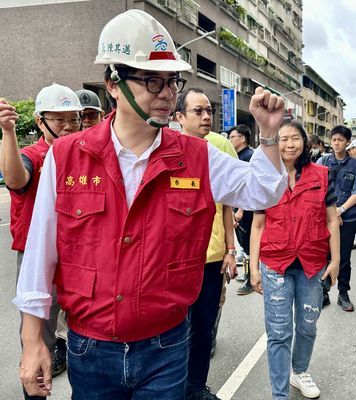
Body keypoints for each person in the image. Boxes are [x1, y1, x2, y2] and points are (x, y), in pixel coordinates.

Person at [14, 10, 288, 399]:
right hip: (90, 348)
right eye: (152, 81)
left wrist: (270, 134)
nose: (167, 93)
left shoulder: (199, 156)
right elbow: (40, 259)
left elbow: (263, 191)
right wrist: (33, 342)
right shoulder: (66, 156)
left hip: (166, 348)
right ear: (114, 84)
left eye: (172, 81)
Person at [0, 83, 83, 400]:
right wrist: (8, 132)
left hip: (77, 256)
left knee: (84, 337)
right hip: (37, 260)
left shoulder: (81, 154)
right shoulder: (33, 155)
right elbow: (16, 179)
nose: (67, 126)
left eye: (72, 119)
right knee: (37, 341)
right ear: (39, 121)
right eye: (59, 119)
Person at [249, 119, 340, 400]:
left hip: (312, 263)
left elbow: (332, 221)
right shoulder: (266, 176)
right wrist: (252, 267)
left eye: (295, 138)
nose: (289, 144)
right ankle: (279, 394)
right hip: (275, 262)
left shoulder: (323, 175)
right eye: (283, 139)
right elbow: (258, 225)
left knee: (308, 325)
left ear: (305, 142)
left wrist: (335, 260)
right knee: (278, 332)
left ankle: (299, 371)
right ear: (275, 144)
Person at [175, 87, 238, 400]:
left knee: (203, 328)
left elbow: (226, 204)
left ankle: (195, 387)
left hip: (211, 258)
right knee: (173, 330)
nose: (205, 116)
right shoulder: (167, 151)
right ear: (179, 117)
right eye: (197, 111)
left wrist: (230, 250)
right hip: (174, 261)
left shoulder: (220, 147)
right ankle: (172, 386)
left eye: (208, 111)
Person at [317, 125, 356, 311]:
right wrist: (330, 214)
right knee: (323, 255)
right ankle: (323, 292)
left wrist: (339, 211)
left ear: (347, 142)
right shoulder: (322, 161)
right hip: (324, 218)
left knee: (344, 258)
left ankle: (343, 294)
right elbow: (317, 190)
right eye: (334, 139)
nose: (336, 143)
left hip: (348, 217)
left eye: (340, 140)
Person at [228, 124, 255, 295]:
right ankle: (248, 274)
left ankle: (251, 279)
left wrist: (240, 210)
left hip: (246, 209)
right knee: (245, 245)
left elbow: (248, 187)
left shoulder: (249, 157)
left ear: (242, 139)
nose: (230, 140)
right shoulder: (237, 156)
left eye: (232, 137)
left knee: (249, 245)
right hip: (238, 207)